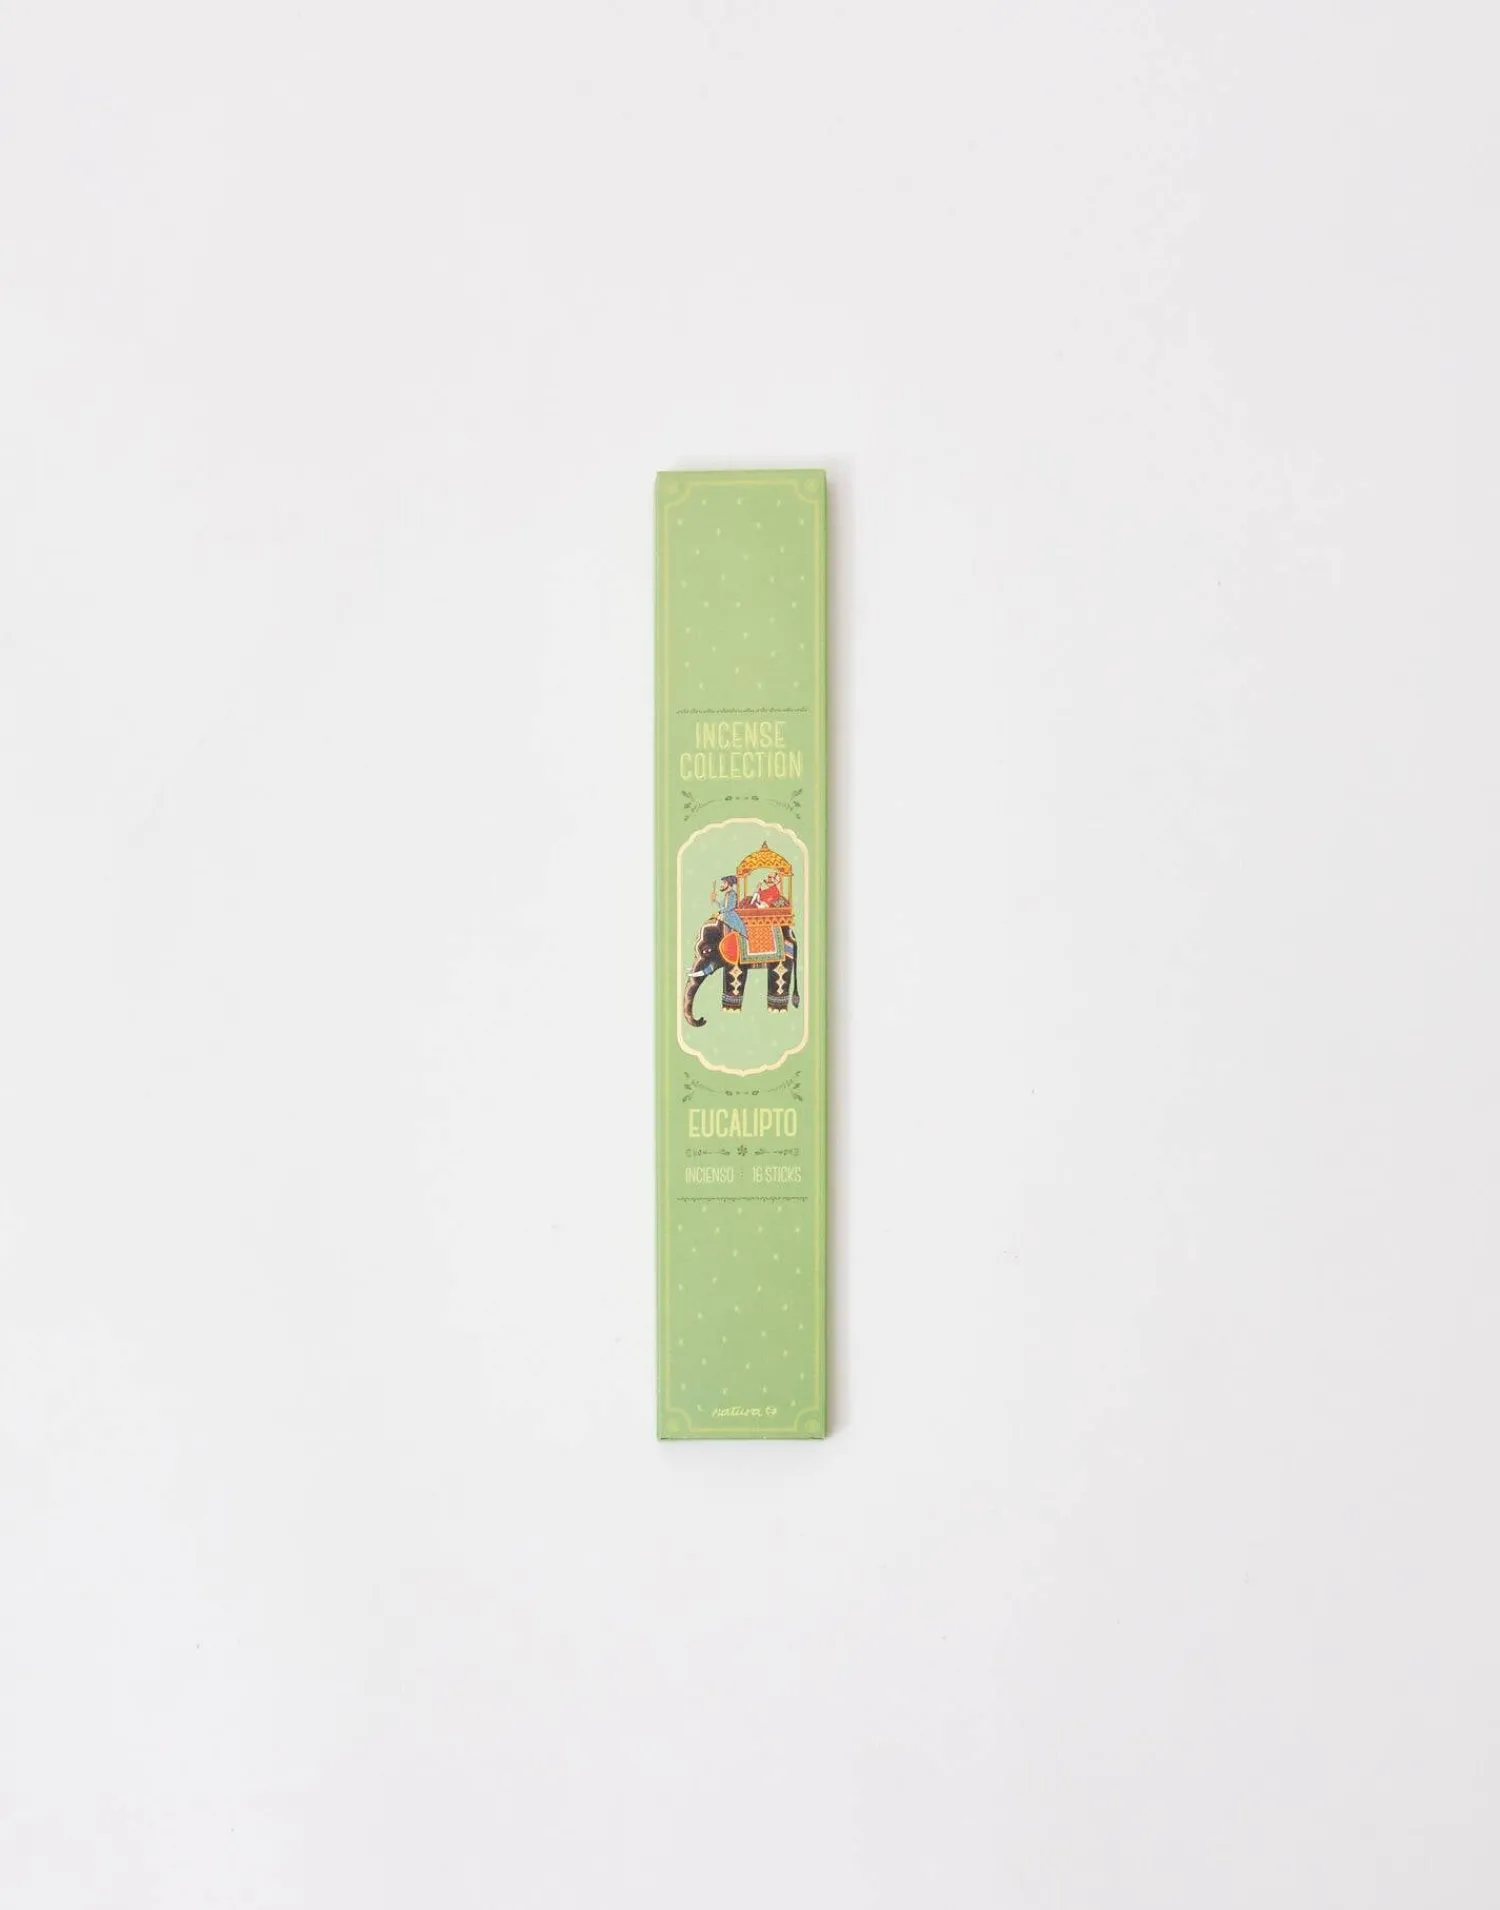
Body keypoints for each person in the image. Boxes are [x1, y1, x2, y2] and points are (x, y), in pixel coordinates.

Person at [715, 875, 748, 940]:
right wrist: (715, 900)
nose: (722, 885)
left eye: (724, 883)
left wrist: (720, 912)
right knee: (725, 935)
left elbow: (731, 907)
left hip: (731, 918)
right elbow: (722, 906)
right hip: (726, 917)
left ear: (729, 884)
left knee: (730, 936)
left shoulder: (732, 894)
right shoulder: (727, 894)